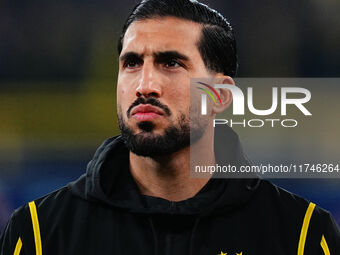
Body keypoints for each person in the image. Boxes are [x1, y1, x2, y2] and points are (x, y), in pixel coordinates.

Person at [1, 0, 339, 254]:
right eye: (132, 63)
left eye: (171, 63)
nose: (145, 84)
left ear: (220, 96)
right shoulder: (39, 232)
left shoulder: (302, 234)